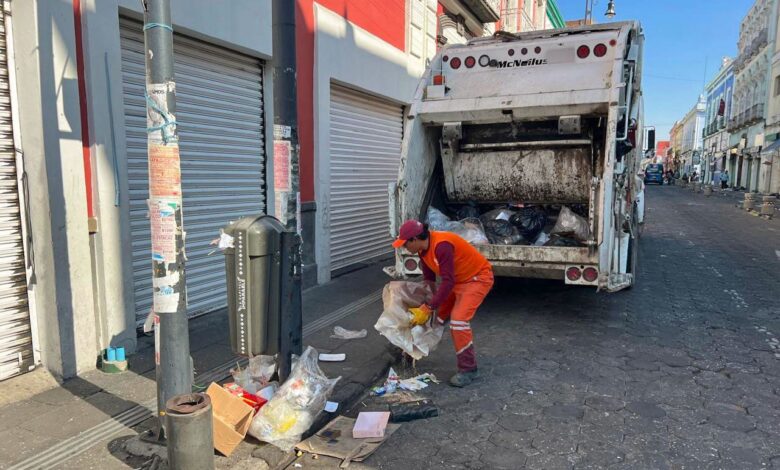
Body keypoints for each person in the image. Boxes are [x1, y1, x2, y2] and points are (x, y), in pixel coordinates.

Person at [392, 219, 494, 387]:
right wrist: (426, 304)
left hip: (477, 278)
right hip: (458, 280)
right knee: (436, 319)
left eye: (405, 244)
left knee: (458, 322)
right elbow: (429, 280)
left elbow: (447, 281)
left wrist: (429, 306)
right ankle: (411, 351)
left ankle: (469, 369)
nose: (404, 248)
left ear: (415, 239)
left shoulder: (442, 245)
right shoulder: (422, 249)